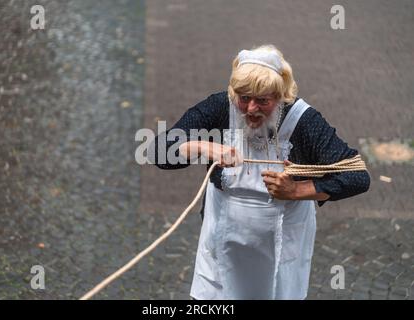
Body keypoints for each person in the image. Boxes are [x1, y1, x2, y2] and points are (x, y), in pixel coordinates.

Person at [153, 44, 370, 299]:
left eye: (263, 101)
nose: (251, 109)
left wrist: (297, 190)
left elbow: (356, 176)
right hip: (223, 242)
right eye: (244, 98)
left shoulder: (303, 121)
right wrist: (203, 146)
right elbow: (158, 150)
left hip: (279, 249)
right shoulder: (220, 107)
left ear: (280, 97)